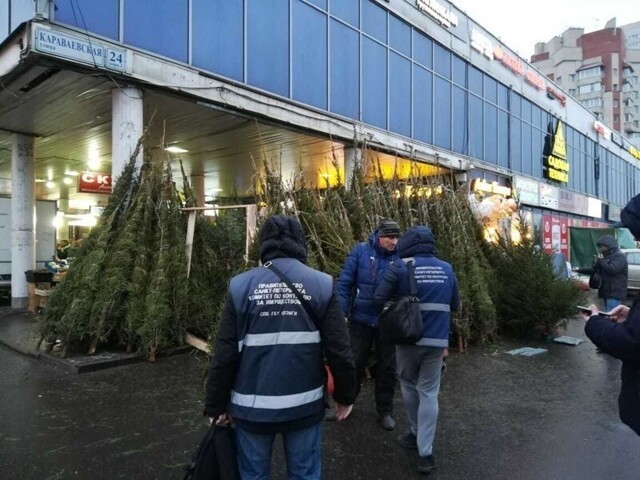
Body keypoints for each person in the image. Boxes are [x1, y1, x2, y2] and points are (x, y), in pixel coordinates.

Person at [204, 215, 357, 479]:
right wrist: (345, 396)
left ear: (263, 244)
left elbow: (225, 353)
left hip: (251, 408)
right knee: (304, 473)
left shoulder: (240, 287)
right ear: (301, 242)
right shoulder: (321, 284)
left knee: (253, 474)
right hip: (304, 406)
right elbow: (339, 349)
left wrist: (216, 405)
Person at [374, 225, 459, 475]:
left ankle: (414, 433)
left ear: (408, 243)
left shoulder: (399, 266)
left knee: (409, 385)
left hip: (407, 338)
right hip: (436, 341)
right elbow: (455, 303)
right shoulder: (446, 268)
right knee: (430, 392)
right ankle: (426, 452)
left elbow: (379, 298)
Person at [581, 192, 640, 436]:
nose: (636, 239)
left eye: (637, 232)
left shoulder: (618, 258)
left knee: (607, 319)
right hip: (611, 294)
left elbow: (632, 342)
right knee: (614, 313)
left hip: (615, 291)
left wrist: (594, 324)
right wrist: (632, 315)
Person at [336, 219, 401, 430]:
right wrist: (341, 314)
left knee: (387, 367)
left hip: (388, 322)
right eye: (390, 237)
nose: (394, 241)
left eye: (396, 237)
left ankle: (385, 410)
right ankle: (347, 402)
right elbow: (345, 283)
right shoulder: (361, 252)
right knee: (354, 362)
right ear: (379, 236)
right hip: (360, 319)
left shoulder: (401, 257)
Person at [594, 234, 628, 311]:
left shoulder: (619, 256)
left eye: (602, 246)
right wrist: (579, 269)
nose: (600, 249)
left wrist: (602, 261)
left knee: (611, 316)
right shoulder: (606, 257)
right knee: (607, 316)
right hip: (607, 291)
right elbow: (596, 270)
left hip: (614, 292)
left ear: (608, 246)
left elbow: (613, 269)